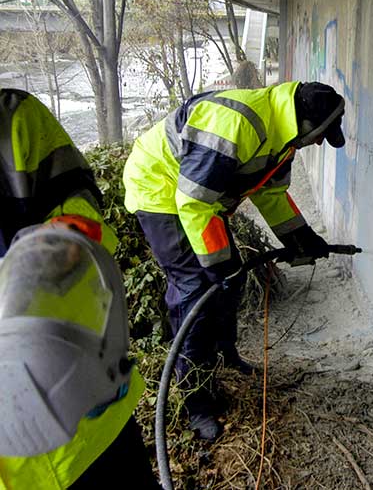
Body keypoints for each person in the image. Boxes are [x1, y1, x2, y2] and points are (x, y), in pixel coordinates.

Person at [123, 81, 346, 441]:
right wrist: (218, 267)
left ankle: (225, 356)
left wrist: (302, 239)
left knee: (234, 276)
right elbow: (193, 203)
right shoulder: (236, 123)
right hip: (158, 189)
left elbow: (271, 195)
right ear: (305, 122)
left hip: (194, 198)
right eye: (320, 134)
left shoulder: (282, 138)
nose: (319, 142)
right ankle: (197, 404)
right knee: (197, 288)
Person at [0, 89, 157, 489]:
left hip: (87, 417)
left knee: (203, 282)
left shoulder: (13, 118)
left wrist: (67, 241)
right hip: (18, 466)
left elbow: (78, 201)